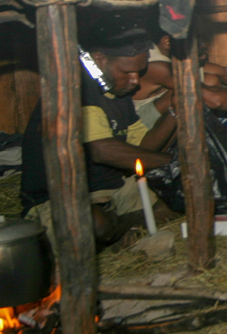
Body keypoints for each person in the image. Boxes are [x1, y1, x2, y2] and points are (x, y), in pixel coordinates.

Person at [20, 27, 178, 248]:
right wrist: (173, 164)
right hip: (59, 195)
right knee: (96, 224)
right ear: (99, 59)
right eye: (128, 72)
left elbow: (142, 145)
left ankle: (120, 230)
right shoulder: (76, 87)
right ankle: (121, 230)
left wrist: (175, 111)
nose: (135, 81)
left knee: (177, 202)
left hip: (111, 188)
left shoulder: (117, 89)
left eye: (139, 72)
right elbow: (103, 151)